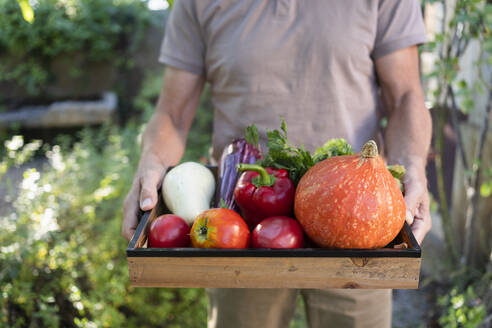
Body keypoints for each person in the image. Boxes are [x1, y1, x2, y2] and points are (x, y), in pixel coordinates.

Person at [122, 1, 432, 327]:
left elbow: (405, 97)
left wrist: (412, 165)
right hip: (239, 226)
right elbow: (172, 112)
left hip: (358, 222)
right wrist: (151, 162)